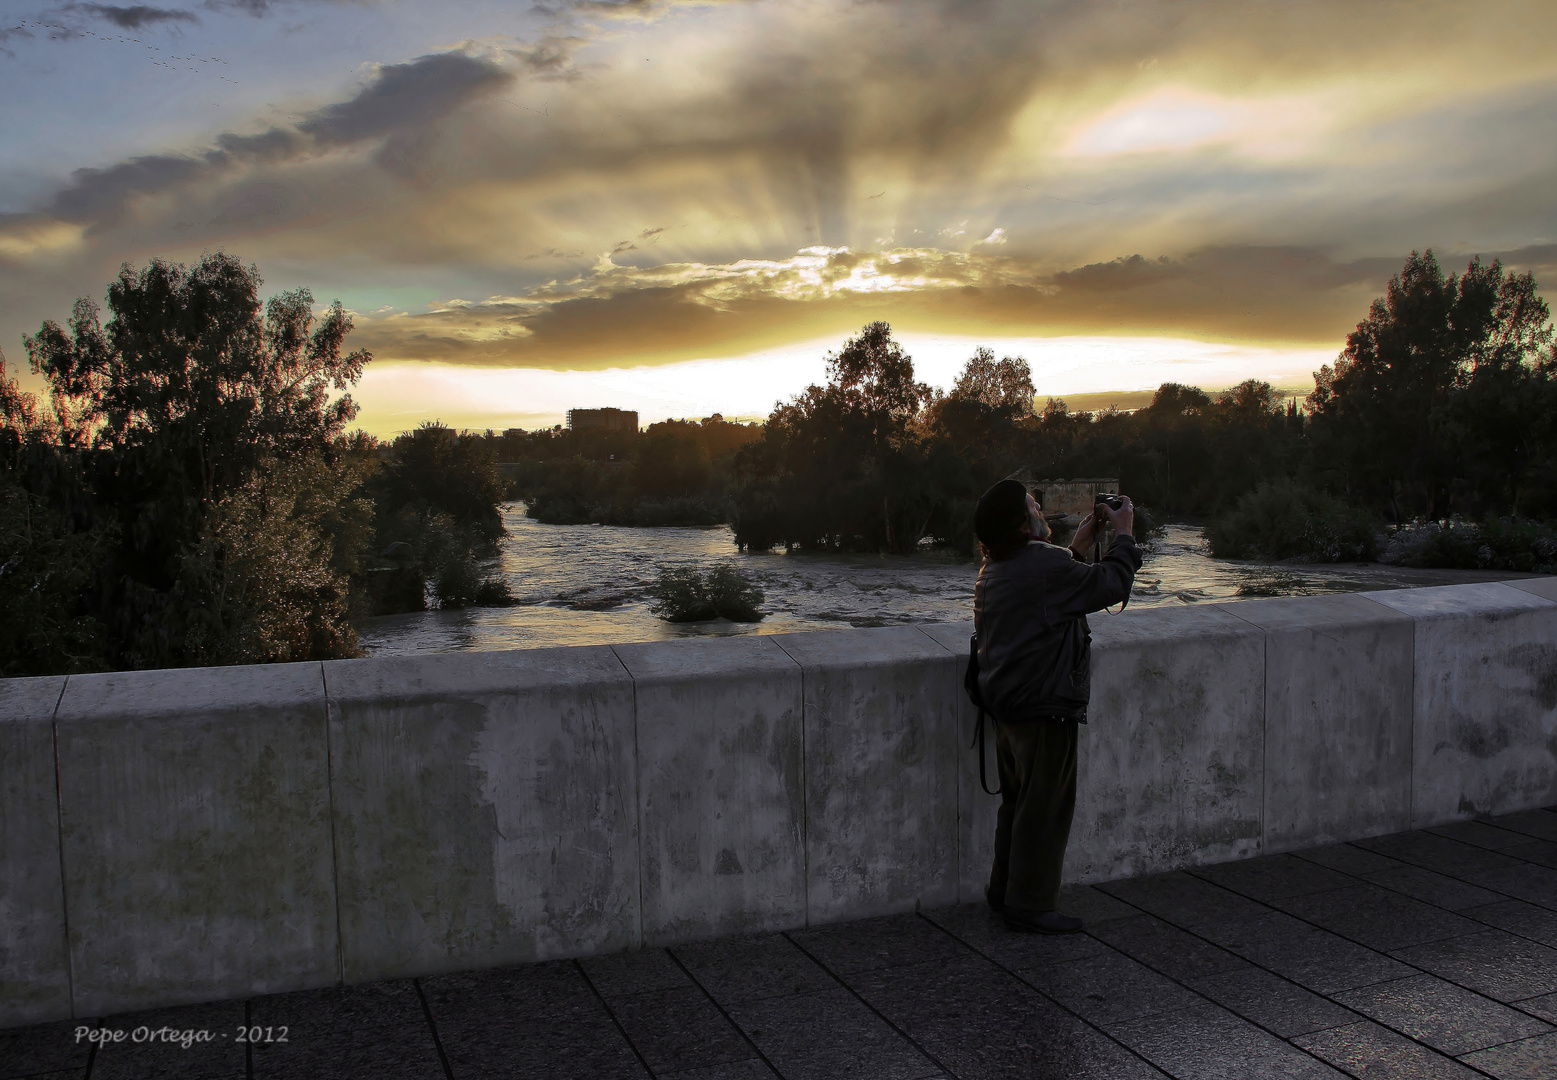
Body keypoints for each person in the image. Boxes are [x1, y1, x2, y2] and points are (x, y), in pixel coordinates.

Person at [973, 479, 1141, 934]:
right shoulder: (1041, 564)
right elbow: (1110, 585)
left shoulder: (997, 566)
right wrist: (1124, 535)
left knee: (1018, 805)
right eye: (1031, 504)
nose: (1038, 506)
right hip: (1045, 706)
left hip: (1008, 706)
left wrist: (1078, 547)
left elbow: (1053, 591)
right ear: (1020, 524)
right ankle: (1030, 904)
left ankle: (1002, 890)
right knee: (1045, 809)